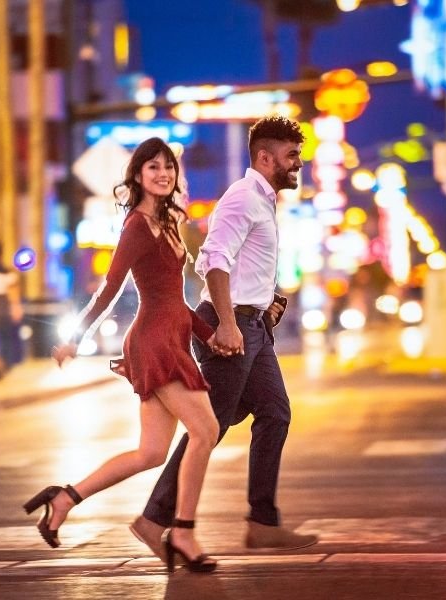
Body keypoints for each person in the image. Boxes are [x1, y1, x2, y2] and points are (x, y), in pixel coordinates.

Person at [23, 137, 220, 574]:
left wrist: (213, 334)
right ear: (137, 176)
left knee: (151, 452)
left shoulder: (168, 223)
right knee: (205, 431)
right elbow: (110, 289)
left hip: (171, 336)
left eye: (168, 167)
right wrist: (76, 337)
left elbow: (177, 298)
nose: (163, 174)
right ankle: (182, 531)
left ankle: (64, 498)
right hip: (154, 342)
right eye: (153, 167)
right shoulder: (136, 226)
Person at [130, 115, 318, 556]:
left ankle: (262, 522)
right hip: (230, 326)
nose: (298, 165)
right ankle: (154, 518)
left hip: (254, 326)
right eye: (291, 157)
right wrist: (231, 323)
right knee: (207, 428)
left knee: (274, 413)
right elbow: (214, 259)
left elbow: (243, 265)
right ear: (265, 157)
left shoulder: (264, 200)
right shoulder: (242, 198)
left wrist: (264, 300)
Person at [0, 244, 24, 369]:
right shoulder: (7, 272)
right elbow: (13, 292)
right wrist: (16, 307)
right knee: (6, 336)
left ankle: (2, 361)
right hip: (4, 305)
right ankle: (7, 362)